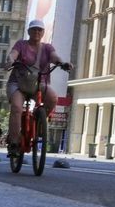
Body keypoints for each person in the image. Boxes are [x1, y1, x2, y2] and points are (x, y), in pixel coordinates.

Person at [4, 19, 71, 157]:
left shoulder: (47, 48)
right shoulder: (21, 44)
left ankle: (39, 124)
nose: (37, 32)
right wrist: (10, 60)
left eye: (39, 30)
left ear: (43, 33)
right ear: (28, 31)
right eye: (34, 29)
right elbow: (13, 54)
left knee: (52, 98)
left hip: (38, 83)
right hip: (18, 83)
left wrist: (62, 63)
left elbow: (54, 57)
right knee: (16, 107)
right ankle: (14, 143)